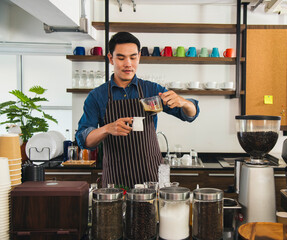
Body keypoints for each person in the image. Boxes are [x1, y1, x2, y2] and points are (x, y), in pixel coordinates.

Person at [76, 32, 200, 188]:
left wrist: (185, 103)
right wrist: (107, 129)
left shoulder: (152, 90)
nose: (128, 64)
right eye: (121, 58)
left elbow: (189, 115)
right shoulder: (97, 96)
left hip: (151, 177)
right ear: (110, 58)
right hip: (116, 179)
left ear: (139, 57)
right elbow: (83, 139)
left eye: (133, 57)